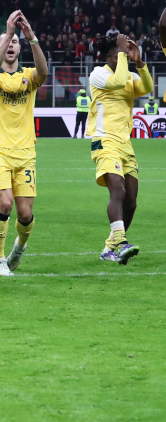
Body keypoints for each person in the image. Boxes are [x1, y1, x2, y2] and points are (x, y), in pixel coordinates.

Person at [0, 11, 47, 276]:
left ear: (20, 48)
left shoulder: (29, 76)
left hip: (25, 152)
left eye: (16, 42)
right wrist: (8, 33)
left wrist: (32, 38)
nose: (11, 45)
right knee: (5, 205)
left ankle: (18, 249)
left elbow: (44, 71)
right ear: (0, 47)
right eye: (7, 42)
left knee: (25, 214)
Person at [86, 34, 151, 265]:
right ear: (108, 57)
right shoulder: (99, 74)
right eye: (115, 56)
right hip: (104, 140)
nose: (118, 59)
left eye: (120, 56)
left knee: (131, 201)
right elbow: (118, 80)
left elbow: (147, 87)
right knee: (118, 192)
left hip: (125, 144)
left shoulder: (128, 73)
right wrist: (124, 54)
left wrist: (140, 63)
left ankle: (109, 247)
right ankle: (122, 243)